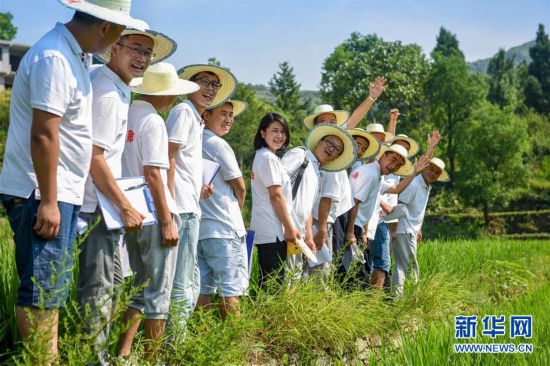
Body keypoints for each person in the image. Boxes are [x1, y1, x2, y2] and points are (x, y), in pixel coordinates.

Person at [0, 1, 145, 361]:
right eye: (119, 32)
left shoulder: (75, 57)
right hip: (41, 192)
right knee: (41, 293)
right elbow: (44, 135)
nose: (117, 40)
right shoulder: (54, 59)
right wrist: (48, 201)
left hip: (58, 192)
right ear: (104, 28)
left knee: (51, 290)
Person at [75, 28, 175, 365]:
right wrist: (126, 206)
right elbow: (95, 157)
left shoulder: (121, 94)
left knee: (114, 289)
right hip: (98, 208)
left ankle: (108, 357)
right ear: (113, 48)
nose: (143, 58)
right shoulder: (107, 92)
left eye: (148, 53)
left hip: (107, 211)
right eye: (136, 49)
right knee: (100, 294)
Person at [117, 62, 199, 361]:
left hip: (131, 209)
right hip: (154, 210)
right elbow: (154, 173)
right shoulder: (153, 121)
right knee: (159, 293)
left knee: (139, 287)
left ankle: (124, 353)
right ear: (164, 95)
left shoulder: (127, 114)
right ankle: (154, 358)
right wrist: (167, 220)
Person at [167, 64, 237, 323]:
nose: (209, 88)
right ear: (190, 84)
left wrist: (197, 188)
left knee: (191, 279)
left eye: (214, 85)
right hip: (180, 209)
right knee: (182, 281)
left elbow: (181, 163)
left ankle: (181, 341)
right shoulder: (184, 112)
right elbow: (168, 157)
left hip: (190, 206)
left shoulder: (195, 118)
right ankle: (174, 348)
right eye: (204, 81)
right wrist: (169, 208)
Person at [196, 100, 249, 319]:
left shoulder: (194, 140)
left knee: (203, 288)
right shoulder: (217, 144)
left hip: (202, 228)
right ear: (206, 115)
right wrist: (237, 213)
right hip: (225, 228)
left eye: (231, 115)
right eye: (223, 114)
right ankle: (234, 344)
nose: (228, 120)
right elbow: (240, 186)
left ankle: (205, 336)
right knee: (231, 288)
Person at [283, 124, 358, 279]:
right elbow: (277, 186)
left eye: (336, 149)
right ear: (319, 141)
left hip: (299, 233)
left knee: (293, 278)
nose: (331, 149)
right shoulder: (300, 155)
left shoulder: (315, 169)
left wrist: (309, 236)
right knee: (281, 278)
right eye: (329, 143)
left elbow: (308, 208)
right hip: (284, 229)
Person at [250, 113, 300, 288]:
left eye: (283, 132)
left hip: (270, 231)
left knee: (270, 285)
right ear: (262, 133)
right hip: (273, 232)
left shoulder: (266, 156)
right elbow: (276, 195)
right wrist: (289, 227)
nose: (280, 136)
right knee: (272, 288)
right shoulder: (267, 158)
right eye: (274, 131)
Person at [392, 157, 450, 297]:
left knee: (401, 266)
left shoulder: (426, 186)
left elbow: (417, 209)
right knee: (411, 266)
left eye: (437, 172)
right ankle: (413, 299)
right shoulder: (414, 184)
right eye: (431, 169)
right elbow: (399, 205)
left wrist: (419, 229)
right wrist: (394, 229)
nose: (433, 174)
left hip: (410, 229)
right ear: (425, 168)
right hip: (404, 229)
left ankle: (398, 299)